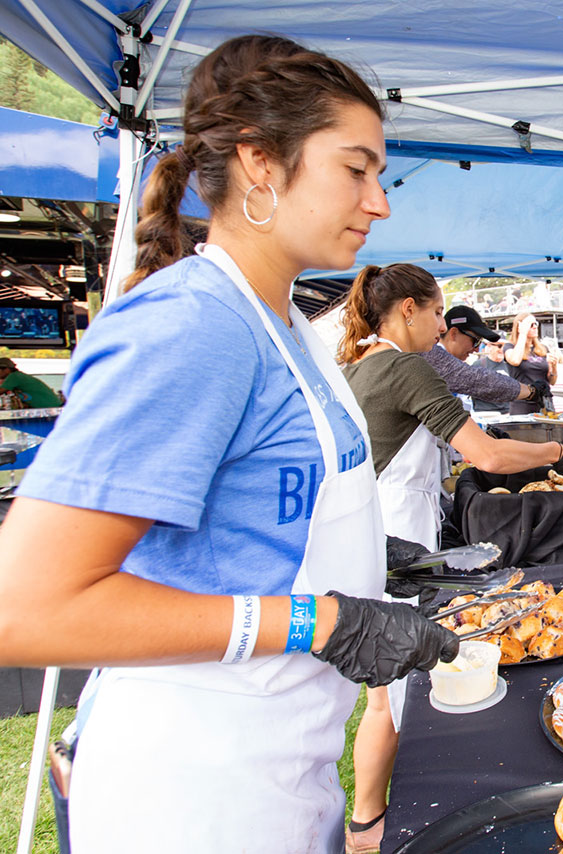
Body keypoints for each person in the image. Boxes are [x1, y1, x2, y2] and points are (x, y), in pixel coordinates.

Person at [0, 35, 463, 852]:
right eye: (356, 170)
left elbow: (258, 518)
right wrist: (319, 622)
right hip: (192, 792)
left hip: (283, 770)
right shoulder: (193, 326)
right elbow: (28, 610)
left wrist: (371, 553)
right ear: (259, 164)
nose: (380, 201)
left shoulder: (286, 323)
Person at [338, 263, 563, 853]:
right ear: (406, 311)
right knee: (406, 688)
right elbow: (491, 457)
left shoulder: (357, 366)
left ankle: (367, 824)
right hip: (399, 530)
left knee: (384, 688)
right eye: (435, 311)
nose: (442, 324)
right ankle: (416, 825)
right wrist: (557, 450)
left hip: (368, 529)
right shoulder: (405, 366)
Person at [424, 305, 543, 411]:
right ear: (453, 333)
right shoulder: (434, 359)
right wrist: (530, 391)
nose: (476, 349)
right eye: (475, 341)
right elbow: (480, 381)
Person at [504, 311, 559, 415]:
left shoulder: (542, 349)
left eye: (536, 324)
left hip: (544, 402)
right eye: (530, 325)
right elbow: (515, 360)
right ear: (520, 327)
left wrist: (554, 366)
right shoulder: (510, 347)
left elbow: (552, 381)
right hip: (522, 403)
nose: (534, 327)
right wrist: (523, 334)